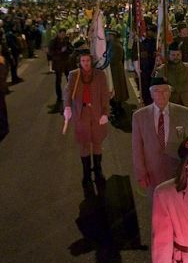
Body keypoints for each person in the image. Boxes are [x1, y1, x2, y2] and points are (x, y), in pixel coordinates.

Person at [63, 50, 111, 197]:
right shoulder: (74, 75)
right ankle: (86, 174)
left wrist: (105, 113)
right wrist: (67, 107)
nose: (86, 64)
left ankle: (97, 170)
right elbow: (67, 92)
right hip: (81, 115)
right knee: (84, 143)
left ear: (91, 61)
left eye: (88, 61)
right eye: (83, 61)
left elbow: (105, 95)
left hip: (96, 114)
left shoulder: (99, 75)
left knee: (97, 142)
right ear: (80, 62)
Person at [132, 77, 188, 192]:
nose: (161, 94)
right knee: (156, 205)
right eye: (156, 91)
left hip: (177, 172)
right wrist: (141, 173)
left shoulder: (183, 113)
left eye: (165, 90)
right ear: (151, 94)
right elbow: (137, 148)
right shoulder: (139, 116)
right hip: (152, 173)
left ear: (170, 92)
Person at [48, 28, 74, 112]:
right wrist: (60, 51)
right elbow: (51, 52)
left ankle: (71, 95)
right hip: (58, 63)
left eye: (64, 34)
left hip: (66, 62)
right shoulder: (53, 41)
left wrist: (68, 49)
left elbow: (71, 49)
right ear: (58, 33)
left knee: (69, 78)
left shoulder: (66, 40)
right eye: (62, 34)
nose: (63, 35)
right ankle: (59, 97)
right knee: (58, 80)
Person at [107, 29, 129, 120]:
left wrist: (105, 62)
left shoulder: (115, 46)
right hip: (115, 69)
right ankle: (116, 107)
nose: (106, 37)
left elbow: (114, 59)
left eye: (108, 35)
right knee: (116, 89)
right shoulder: (113, 44)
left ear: (112, 36)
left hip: (115, 70)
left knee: (116, 89)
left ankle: (118, 109)